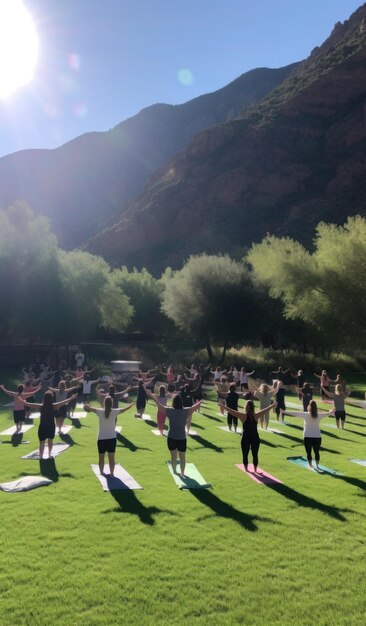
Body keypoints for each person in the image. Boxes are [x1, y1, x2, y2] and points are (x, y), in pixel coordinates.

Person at [147, 390, 201, 477]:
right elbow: (194, 407)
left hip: (171, 437)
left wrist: (153, 397)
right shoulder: (186, 411)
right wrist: (200, 402)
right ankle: (182, 473)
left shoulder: (170, 411)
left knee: (173, 456)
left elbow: (160, 406)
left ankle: (175, 472)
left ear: (173, 402)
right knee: (182, 456)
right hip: (182, 438)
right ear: (181, 402)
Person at [18, 391, 77, 459]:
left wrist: (22, 401)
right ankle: (49, 454)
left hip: (42, 426)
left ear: (44, 398)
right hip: (51, 426)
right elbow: (64, 402)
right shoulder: (54, 406)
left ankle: (41, 456)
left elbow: (29, 404)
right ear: (51, 398)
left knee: (41, 442)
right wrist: (71, 398)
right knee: (50, 441)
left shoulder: (41, 406)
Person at [84, 396, 133, 476]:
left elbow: (90, 408)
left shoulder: (100, 412)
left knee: (101, 458)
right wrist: (130, 405)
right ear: (111, 404)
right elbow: (124, 409)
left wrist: (86, 405)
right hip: (112, 439)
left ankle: (101, 473)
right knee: (111, 458)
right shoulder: (114, 412)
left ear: (104, 403)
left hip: (101, 439)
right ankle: (112, 474)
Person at [225, 399, 276, 471]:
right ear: (253, 407)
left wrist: (222, 406)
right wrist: (272, 405)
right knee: (255, 455)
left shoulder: (243, 416)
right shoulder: (256, 415)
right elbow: (265, 410)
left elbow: (231, 411)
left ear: (246, 407)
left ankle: (246, 470)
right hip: (255, 437)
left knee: (245, 454)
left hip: (245, 437)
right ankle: (255, 470)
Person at [285, 400, 333, 469]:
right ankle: (317, 465)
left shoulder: (306, 414)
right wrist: (332, 410)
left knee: (309, 452)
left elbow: (296, 413)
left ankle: (310, 465)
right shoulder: (319, 415)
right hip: (317, 436)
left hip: (307, 436)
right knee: (317, 452)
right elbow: (328, 413)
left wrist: (284, 411)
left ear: (309, 407)